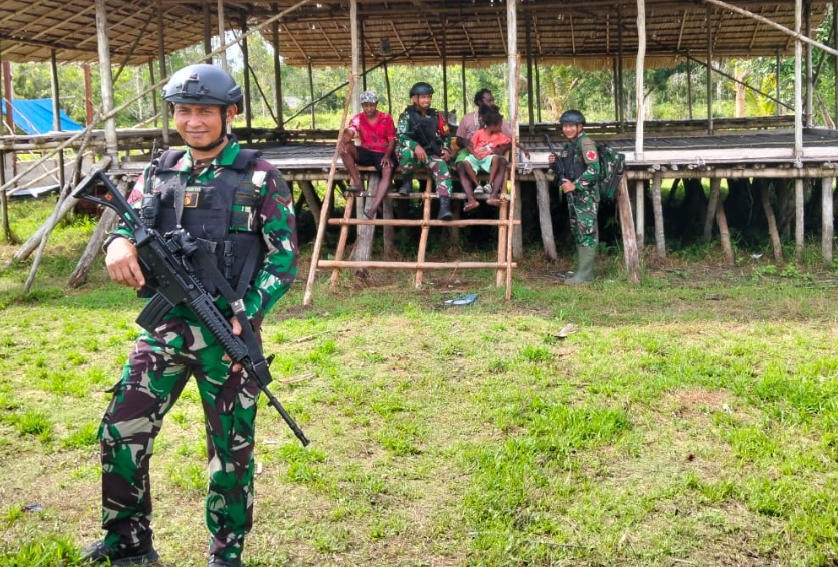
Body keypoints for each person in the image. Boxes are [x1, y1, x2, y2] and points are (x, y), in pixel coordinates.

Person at [81, 63, 299, 567]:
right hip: (165, 330)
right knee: (120, 430)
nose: (193, 121)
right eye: (183, 111)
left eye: (204, 111)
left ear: (230, 114)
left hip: (228, 337)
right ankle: (128, 544)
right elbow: (129, 222)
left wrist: (249, 312)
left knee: (230, 453)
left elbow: (283, 260)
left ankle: (226, 554)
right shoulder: (160, 170)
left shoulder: (260, 177)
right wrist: (117, 243)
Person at [547, 109, 601, 285]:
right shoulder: (570, 145)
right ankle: (581, 271)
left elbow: (594, 169)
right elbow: (568, 168)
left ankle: (585, 275)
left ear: (580, 126)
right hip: (575, 196)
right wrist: (554, 164)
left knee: (586, 232)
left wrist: (575, 185)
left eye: (571, 126)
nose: (567, 129)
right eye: (565, 126)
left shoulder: (585, 143)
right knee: (578, 231)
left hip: (585, 196)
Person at [396, 81, 454, 221]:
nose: (426, 100)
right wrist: (415, 146)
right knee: (406, 152)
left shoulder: (436, 115)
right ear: (414, 98)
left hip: (429, 154)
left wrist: (446, 148)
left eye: (428, 97)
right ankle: (407, 183)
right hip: (413, 155)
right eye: (423, 97)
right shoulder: (406, 116)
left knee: (442, 166)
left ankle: (444, 207)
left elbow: (446, 135)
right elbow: (401, 136)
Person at [339, 90, 397, 219]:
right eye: (366, 105)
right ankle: (357, 182)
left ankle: (373, 208)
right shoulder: (358, 118)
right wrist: (342, 142)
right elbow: (350, 131)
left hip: (384, 152)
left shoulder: (386, 118)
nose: (369, 108)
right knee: (345, 149)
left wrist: (387, 156)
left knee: (387, 171)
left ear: (376, 104)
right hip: (367, 151)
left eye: (371, 105)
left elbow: (392, 140)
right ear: (362, 106)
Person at [455, 89, 513, 208]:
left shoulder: (498, 120)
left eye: (492, 100)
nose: (492, 103)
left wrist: (502, 148)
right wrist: (466, 142)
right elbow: (458, 140)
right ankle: (471, 200)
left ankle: (493, 196)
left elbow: (511, 140)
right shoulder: (467, 119)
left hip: (491, 152)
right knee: (460, 164)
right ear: (479, 102)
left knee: (502, 162)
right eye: (489, 101)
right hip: (470, 152)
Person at [462, 108, 530, 209]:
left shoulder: (499, 135)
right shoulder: (479, 133)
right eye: (499, 126)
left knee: (496, 158)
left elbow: (512, 141)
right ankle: (478, 185)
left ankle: (489, 184)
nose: (500, 127)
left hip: (487, 158)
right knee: (466, 162)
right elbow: (470, 146)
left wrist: (524, 148)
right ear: (492, 126)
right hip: (476, 157)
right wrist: (475, 154)